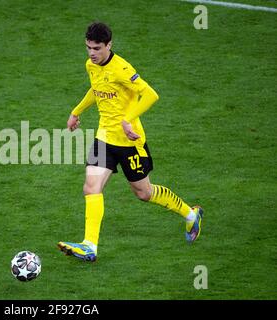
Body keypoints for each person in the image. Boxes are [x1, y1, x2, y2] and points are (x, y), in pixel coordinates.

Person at [57, 22, 203, 262]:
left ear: (109, 45)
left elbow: (150, 94)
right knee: (91, 187)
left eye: (96, 48)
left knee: (144, 193)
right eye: (88, 47)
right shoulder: (91, 65)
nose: (91, 53)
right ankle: (89, 245)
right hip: (104, 137)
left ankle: (190, 214)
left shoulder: (122, 69)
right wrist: (76, 111)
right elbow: (96, 89)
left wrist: (128, 119)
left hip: (129, 141)